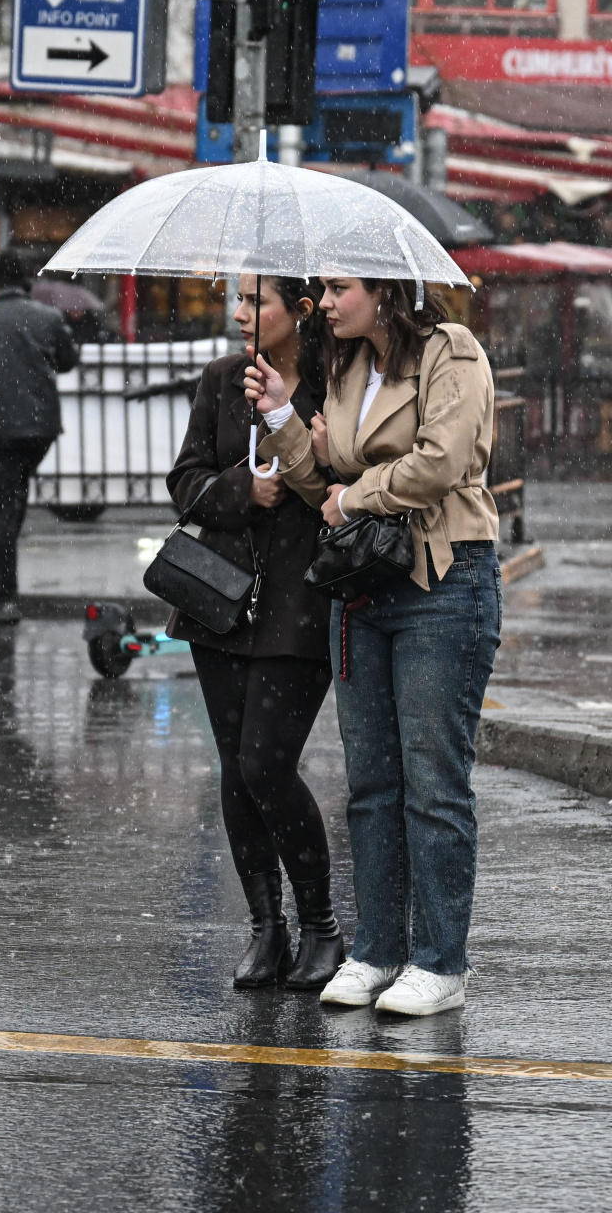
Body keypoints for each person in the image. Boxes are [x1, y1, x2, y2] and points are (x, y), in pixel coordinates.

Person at [248, 278, 500, 1017]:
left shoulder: (451, 353)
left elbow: (439, 462)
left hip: (442, 581)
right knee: (372, 785)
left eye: (338, 286)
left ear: (386, 289)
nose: (322, 302)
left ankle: (441, 962)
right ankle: (378, 949)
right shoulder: (347, 365)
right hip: (364, 584)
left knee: (433, 783)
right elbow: (316, 483)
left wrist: (354, 494)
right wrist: (281, 417)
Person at [166, 276, 342, 991]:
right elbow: (184, 483)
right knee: (237, 768)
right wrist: (245, 488)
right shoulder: (219, 380)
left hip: (300, 603)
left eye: (254, 301)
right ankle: (266, 929)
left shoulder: (336, 382)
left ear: (300, 311)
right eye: (236, 299)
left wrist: (297, 457)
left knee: (267, 763)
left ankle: (322, 926)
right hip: (219, 602)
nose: (239, 314)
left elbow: (346, 477)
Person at [0, 251, 78, 625]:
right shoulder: (48, 318)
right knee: (11, 504)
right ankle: (2, 590)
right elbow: (68, 361)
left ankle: (2, 597)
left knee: (2, 510)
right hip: (38, 429)